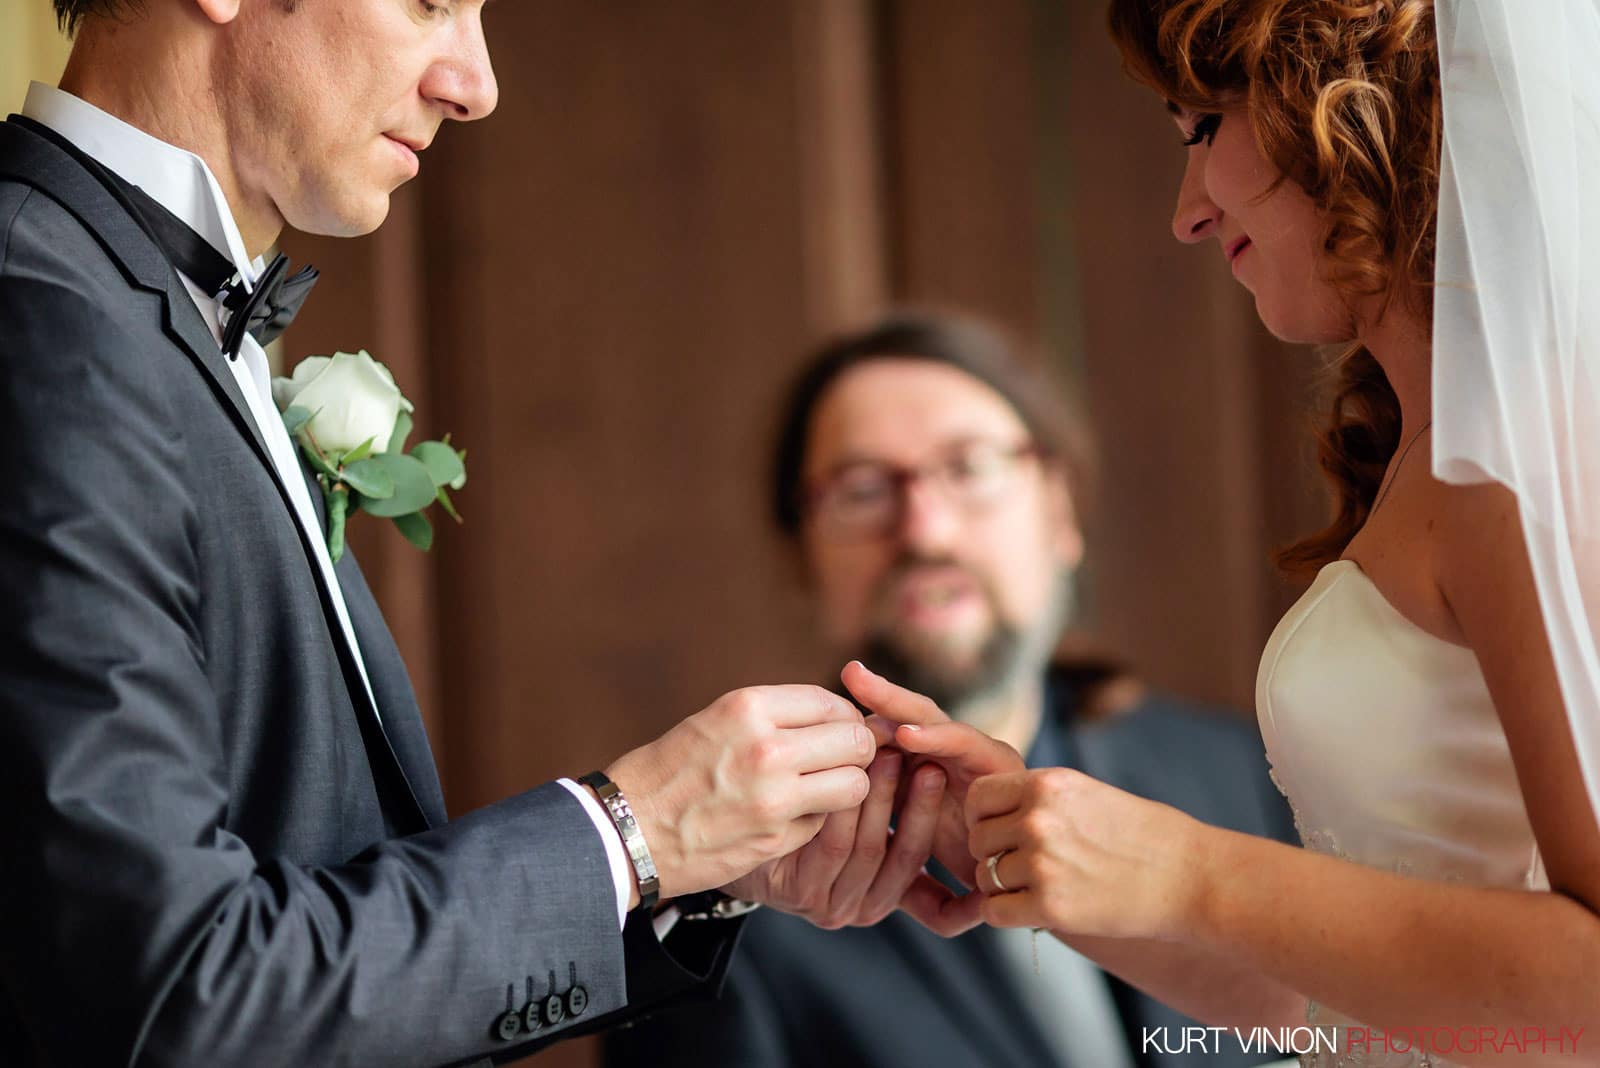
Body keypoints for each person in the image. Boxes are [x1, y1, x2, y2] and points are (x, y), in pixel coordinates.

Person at [0, 4, 957, 1065]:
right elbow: (176, 996)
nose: (475, 82)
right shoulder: (40, 311)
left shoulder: (138, 308)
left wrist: (690, 866)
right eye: (430, 4)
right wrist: (631, 834)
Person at [865, 3, 1600, 1064]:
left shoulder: (1528, 459)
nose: (1185, 215)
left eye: (1200, 129)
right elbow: (1351, 1013)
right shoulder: (1434, 456)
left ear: (1344, 107)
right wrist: (1034, 851)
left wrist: (1191, 872)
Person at [603, 314, 1298, 1068]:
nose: (926, 531)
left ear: (1059, 512)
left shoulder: (1242, 777)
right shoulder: (733, 898)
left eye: (971, 468)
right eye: (862, 489)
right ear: (803, 558)